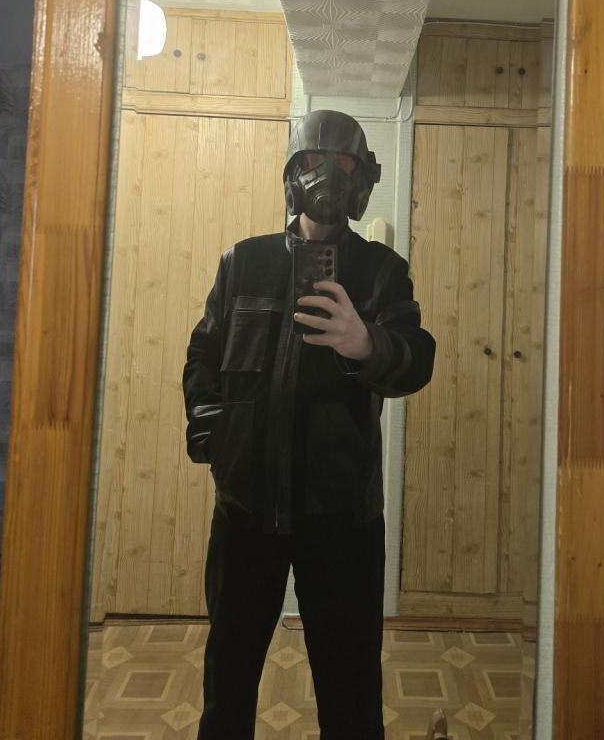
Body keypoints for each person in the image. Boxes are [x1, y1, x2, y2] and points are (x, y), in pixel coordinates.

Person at [183, 108, 436, 740]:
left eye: (342, 160)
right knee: (228, 679)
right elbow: (203, 354)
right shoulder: (243, 261)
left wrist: (367, 343)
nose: (327, 173)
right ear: (293, 171)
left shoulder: (382, 271)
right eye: (313, 159)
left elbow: (416, 360)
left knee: (351, 693)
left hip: (342, 519)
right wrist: (216, 441)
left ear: (362, 176)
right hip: (245, 513)